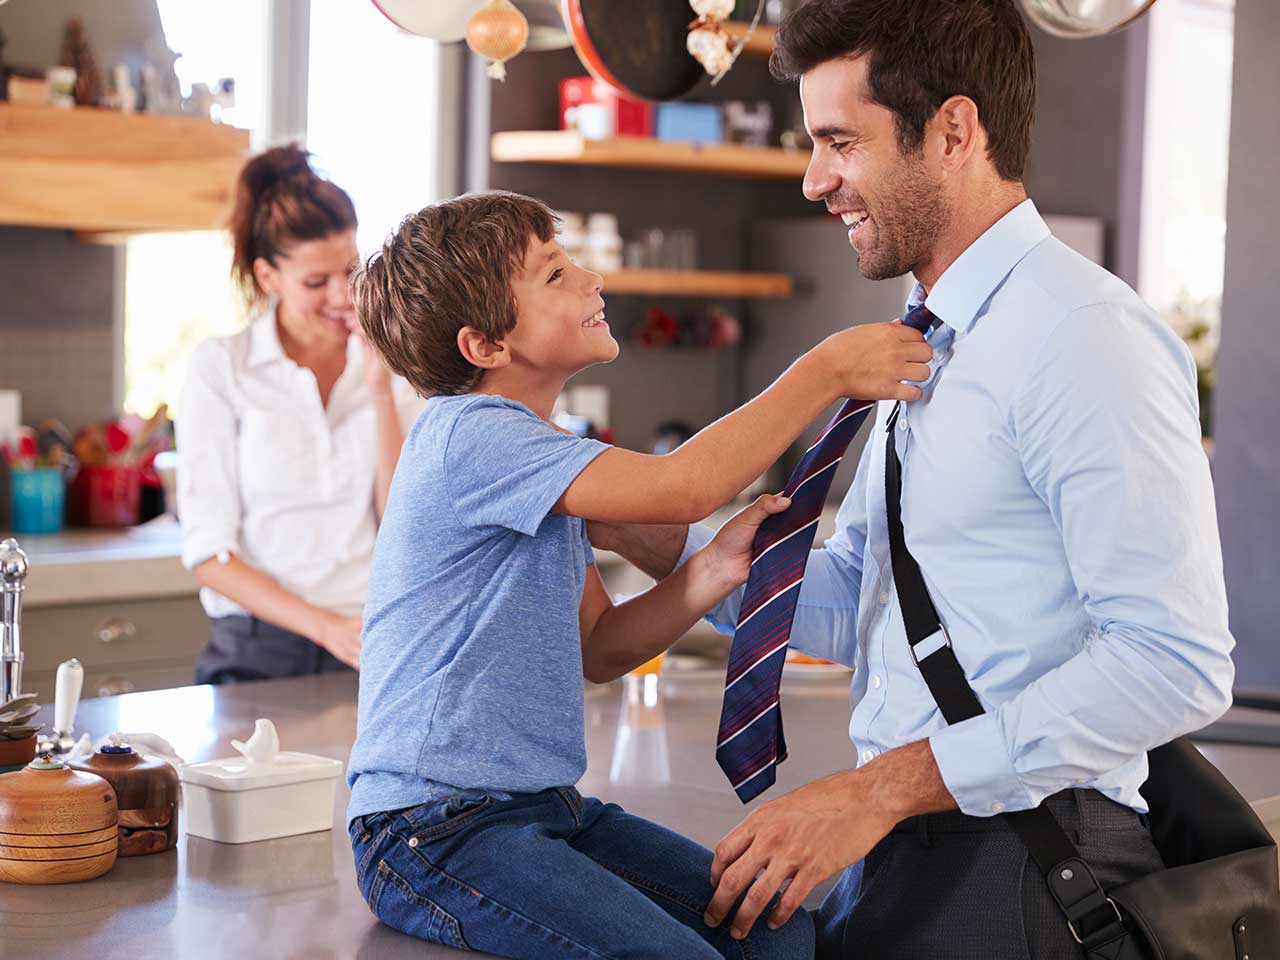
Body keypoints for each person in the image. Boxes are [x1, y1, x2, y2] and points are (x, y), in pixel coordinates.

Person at [592, 1, 1236, 957]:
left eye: (839, 141)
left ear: (953, 131)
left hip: (1025, 867)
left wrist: (876, 791)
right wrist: (641, 530)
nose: (815, 181)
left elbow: (1174, 662)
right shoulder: (925, 339)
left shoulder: (1082, 337)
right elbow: (860, 594)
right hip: (910, 853)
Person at [343, 190, 932, 959]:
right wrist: (825, 371)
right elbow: (685, 486)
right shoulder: (469, 438)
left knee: (779, 940)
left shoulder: (537, 452)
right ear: (485, 344)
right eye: (555, 273)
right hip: (431, 833)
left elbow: (599, 648)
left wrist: (707, 574)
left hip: (540, 811)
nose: (592, 278)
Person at [176, 145, 421, 685]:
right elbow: (210, 555)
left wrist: (381, 389)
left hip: (372, 640)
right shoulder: (223, 369)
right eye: (317, 282)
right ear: (268, 278)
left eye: (351, 271)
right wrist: (325, 626)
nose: (343, 296)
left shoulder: (389, 366)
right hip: (257, 651)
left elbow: (403, 523)